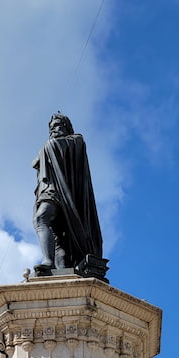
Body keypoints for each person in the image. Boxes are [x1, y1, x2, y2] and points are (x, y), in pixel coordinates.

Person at [32, 112, 103, 276]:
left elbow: (59, 148)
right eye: (51, 128)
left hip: (61, 192)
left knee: (41, 218)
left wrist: (48, 147)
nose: (53, 130)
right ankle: (61, 272)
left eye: (57, 125)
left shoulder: (76, 140)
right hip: (47, 189)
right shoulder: (52, 144)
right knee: (60, 238)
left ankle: (47, 261)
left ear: (66, 127)